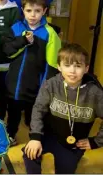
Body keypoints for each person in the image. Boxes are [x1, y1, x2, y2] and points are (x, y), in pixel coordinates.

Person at [23, 43, 103, 174]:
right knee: (29, 154)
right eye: (67, 65)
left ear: (86, 68)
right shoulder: (51, 84)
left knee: (65, 170)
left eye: (78, 66)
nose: (72, 71)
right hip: (48, 135)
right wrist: (35, 137)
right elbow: (38, 109)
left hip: (73, 143)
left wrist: (96, 141)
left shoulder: (95, 93)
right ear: (59, 67)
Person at [3, 0, 61, 146]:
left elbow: (52, 65)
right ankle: (10, 135)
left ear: (44, 11)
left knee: (34, 116)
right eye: (29, 10)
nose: (33, 15)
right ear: (23, 10)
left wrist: (45, 87)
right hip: (14, 85)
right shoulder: (16, 28)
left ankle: (36, 140)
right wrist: (23, 40)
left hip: (36, 86)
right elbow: (7, 51)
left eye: (37, 11)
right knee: (13, 113)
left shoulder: (50, 34)